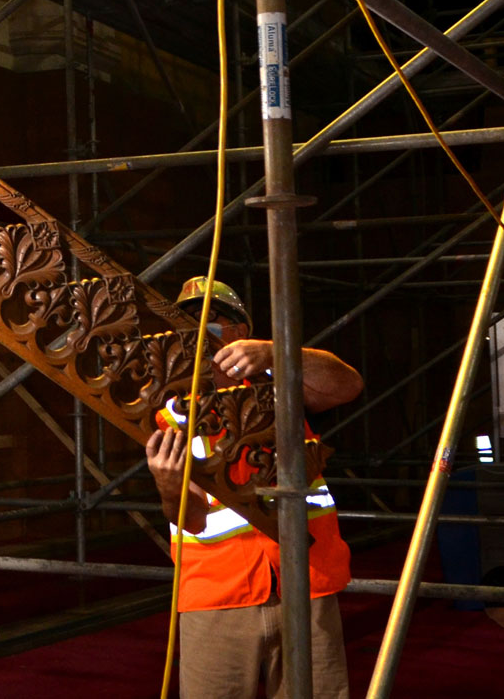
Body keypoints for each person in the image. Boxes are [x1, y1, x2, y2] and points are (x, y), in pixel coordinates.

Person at [146, 276, 364, 699]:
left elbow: (347, 384)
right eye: (188, 325)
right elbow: (188, 518)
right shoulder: (170, 411)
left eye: (215, 322)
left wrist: (277, 352)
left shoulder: (281, 382)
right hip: (216, 593)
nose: (201, 333)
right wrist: (168, 486)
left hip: (305, 579)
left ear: (241, 332)